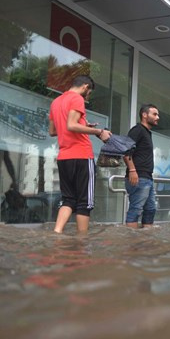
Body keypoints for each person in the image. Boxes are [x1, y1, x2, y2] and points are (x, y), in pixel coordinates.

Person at [48, 75, 111, 234]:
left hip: (64, 157)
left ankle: (57, 232)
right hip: (82, 156)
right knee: (85, 202)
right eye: (89, 92)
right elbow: (71, 125)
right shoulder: (77, 99)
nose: (88, 96)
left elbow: (53, 131)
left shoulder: (56, 102)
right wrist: (98, 131)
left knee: (68, 199)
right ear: (85, 86)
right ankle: (82, 242)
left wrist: (84, 125)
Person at [123, 103, 159, 229]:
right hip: (138, 177)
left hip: (147, 177)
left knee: (150, 209)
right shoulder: (137, 130)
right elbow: (126, 151)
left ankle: (145, 242)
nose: (157, 117)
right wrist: (132, 170)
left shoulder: (147, 133)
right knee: (136, 209)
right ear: (144, 115)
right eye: (154, 114)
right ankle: (130, 242)